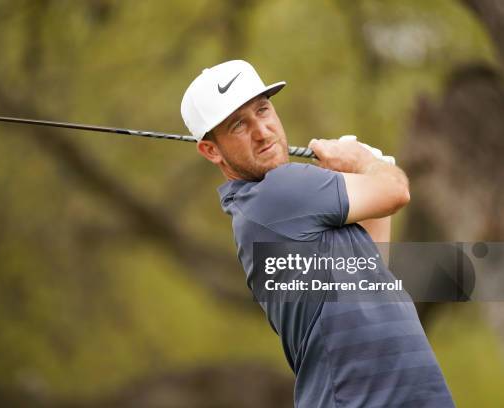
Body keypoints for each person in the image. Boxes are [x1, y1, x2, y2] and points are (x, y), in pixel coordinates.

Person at [181, 60, 454, 407]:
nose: (262, 131)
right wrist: (367, 164)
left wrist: (364, 169)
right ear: (211, 149)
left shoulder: (281, 208)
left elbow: (373, 268)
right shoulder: (276, 193)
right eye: (238, 125)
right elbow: (397, 193)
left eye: (262, 110)